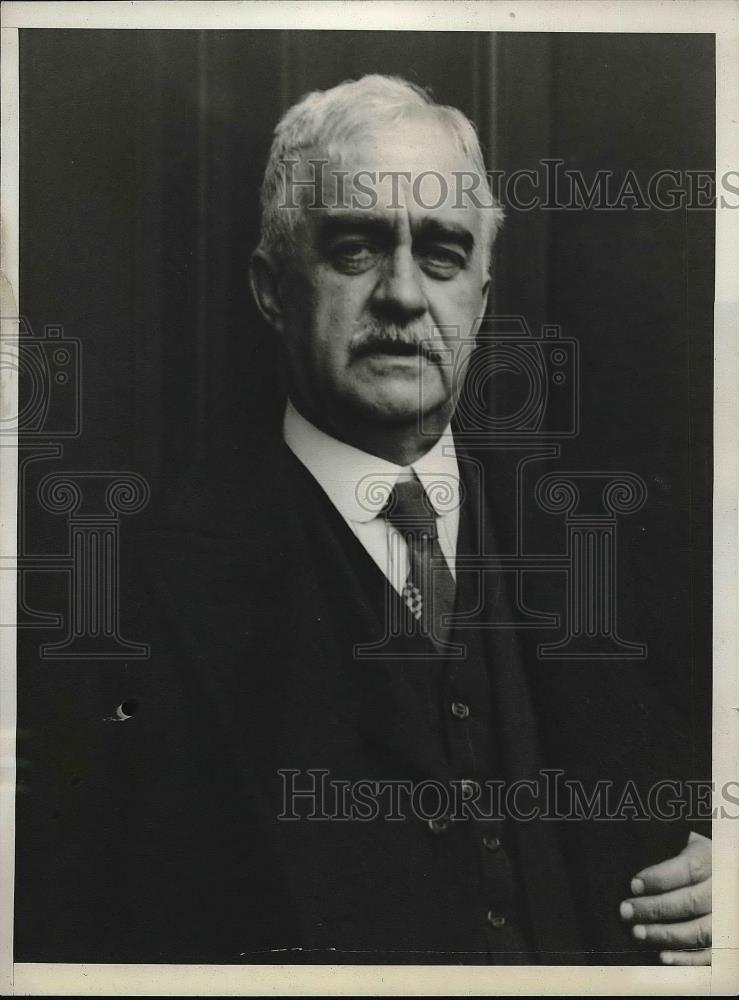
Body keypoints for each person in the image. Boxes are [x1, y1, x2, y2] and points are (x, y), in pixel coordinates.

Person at [14, 74, 711, 966]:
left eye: (444, 255)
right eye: (355, 249)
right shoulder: (126, 599)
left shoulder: (619, 552)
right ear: (271, 288)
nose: (403, 296)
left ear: (481, 301)